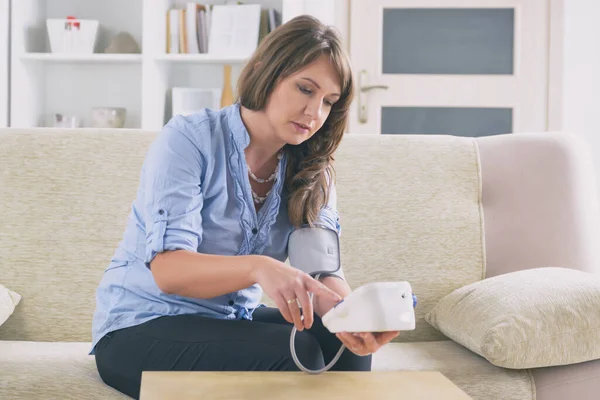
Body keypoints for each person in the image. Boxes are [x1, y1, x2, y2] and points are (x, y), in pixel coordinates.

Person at [91, 15, 399, 399]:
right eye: (305, 89)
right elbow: (169, 270)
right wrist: (259, 267)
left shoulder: (312, 168)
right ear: (264, 71)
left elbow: (320, 272)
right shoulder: (189, 140)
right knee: (299, 351)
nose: (315, 112)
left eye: (328, 102)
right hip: (141, 327)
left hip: (227, 322)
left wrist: (353, 314)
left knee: (336, 342)